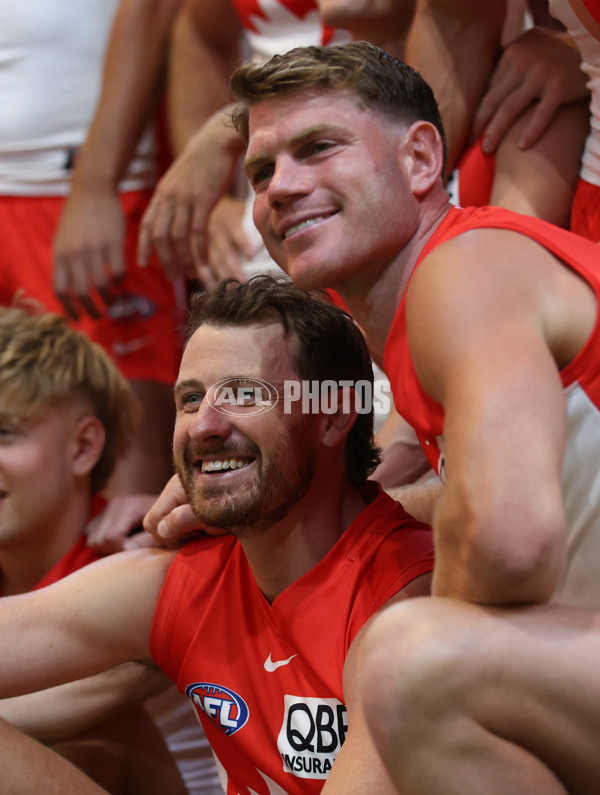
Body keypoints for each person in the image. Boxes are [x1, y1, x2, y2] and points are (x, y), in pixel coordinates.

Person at [211, 41, 600, 791]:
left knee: (407, 658)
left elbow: (509, 540)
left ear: (423, 159)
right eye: (261, 171)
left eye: (318, 148)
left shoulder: (465, 270)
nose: (282, 187)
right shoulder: (428, 309)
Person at [0, 276, 434, 794]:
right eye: (189, 399)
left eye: (244, 394)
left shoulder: (408, 595)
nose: (205, 424)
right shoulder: (183, 580)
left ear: (335, 414)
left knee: (104, 742)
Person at [0, 0, 184, 497]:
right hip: (23, 189)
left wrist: (96, 184)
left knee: (120, 463)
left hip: (76, 188)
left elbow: (157, 8)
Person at [0, 307, 186, 793]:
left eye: (3, 433)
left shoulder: (146, 556)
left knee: (89, 739)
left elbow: (103, 691)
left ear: (83, 447)